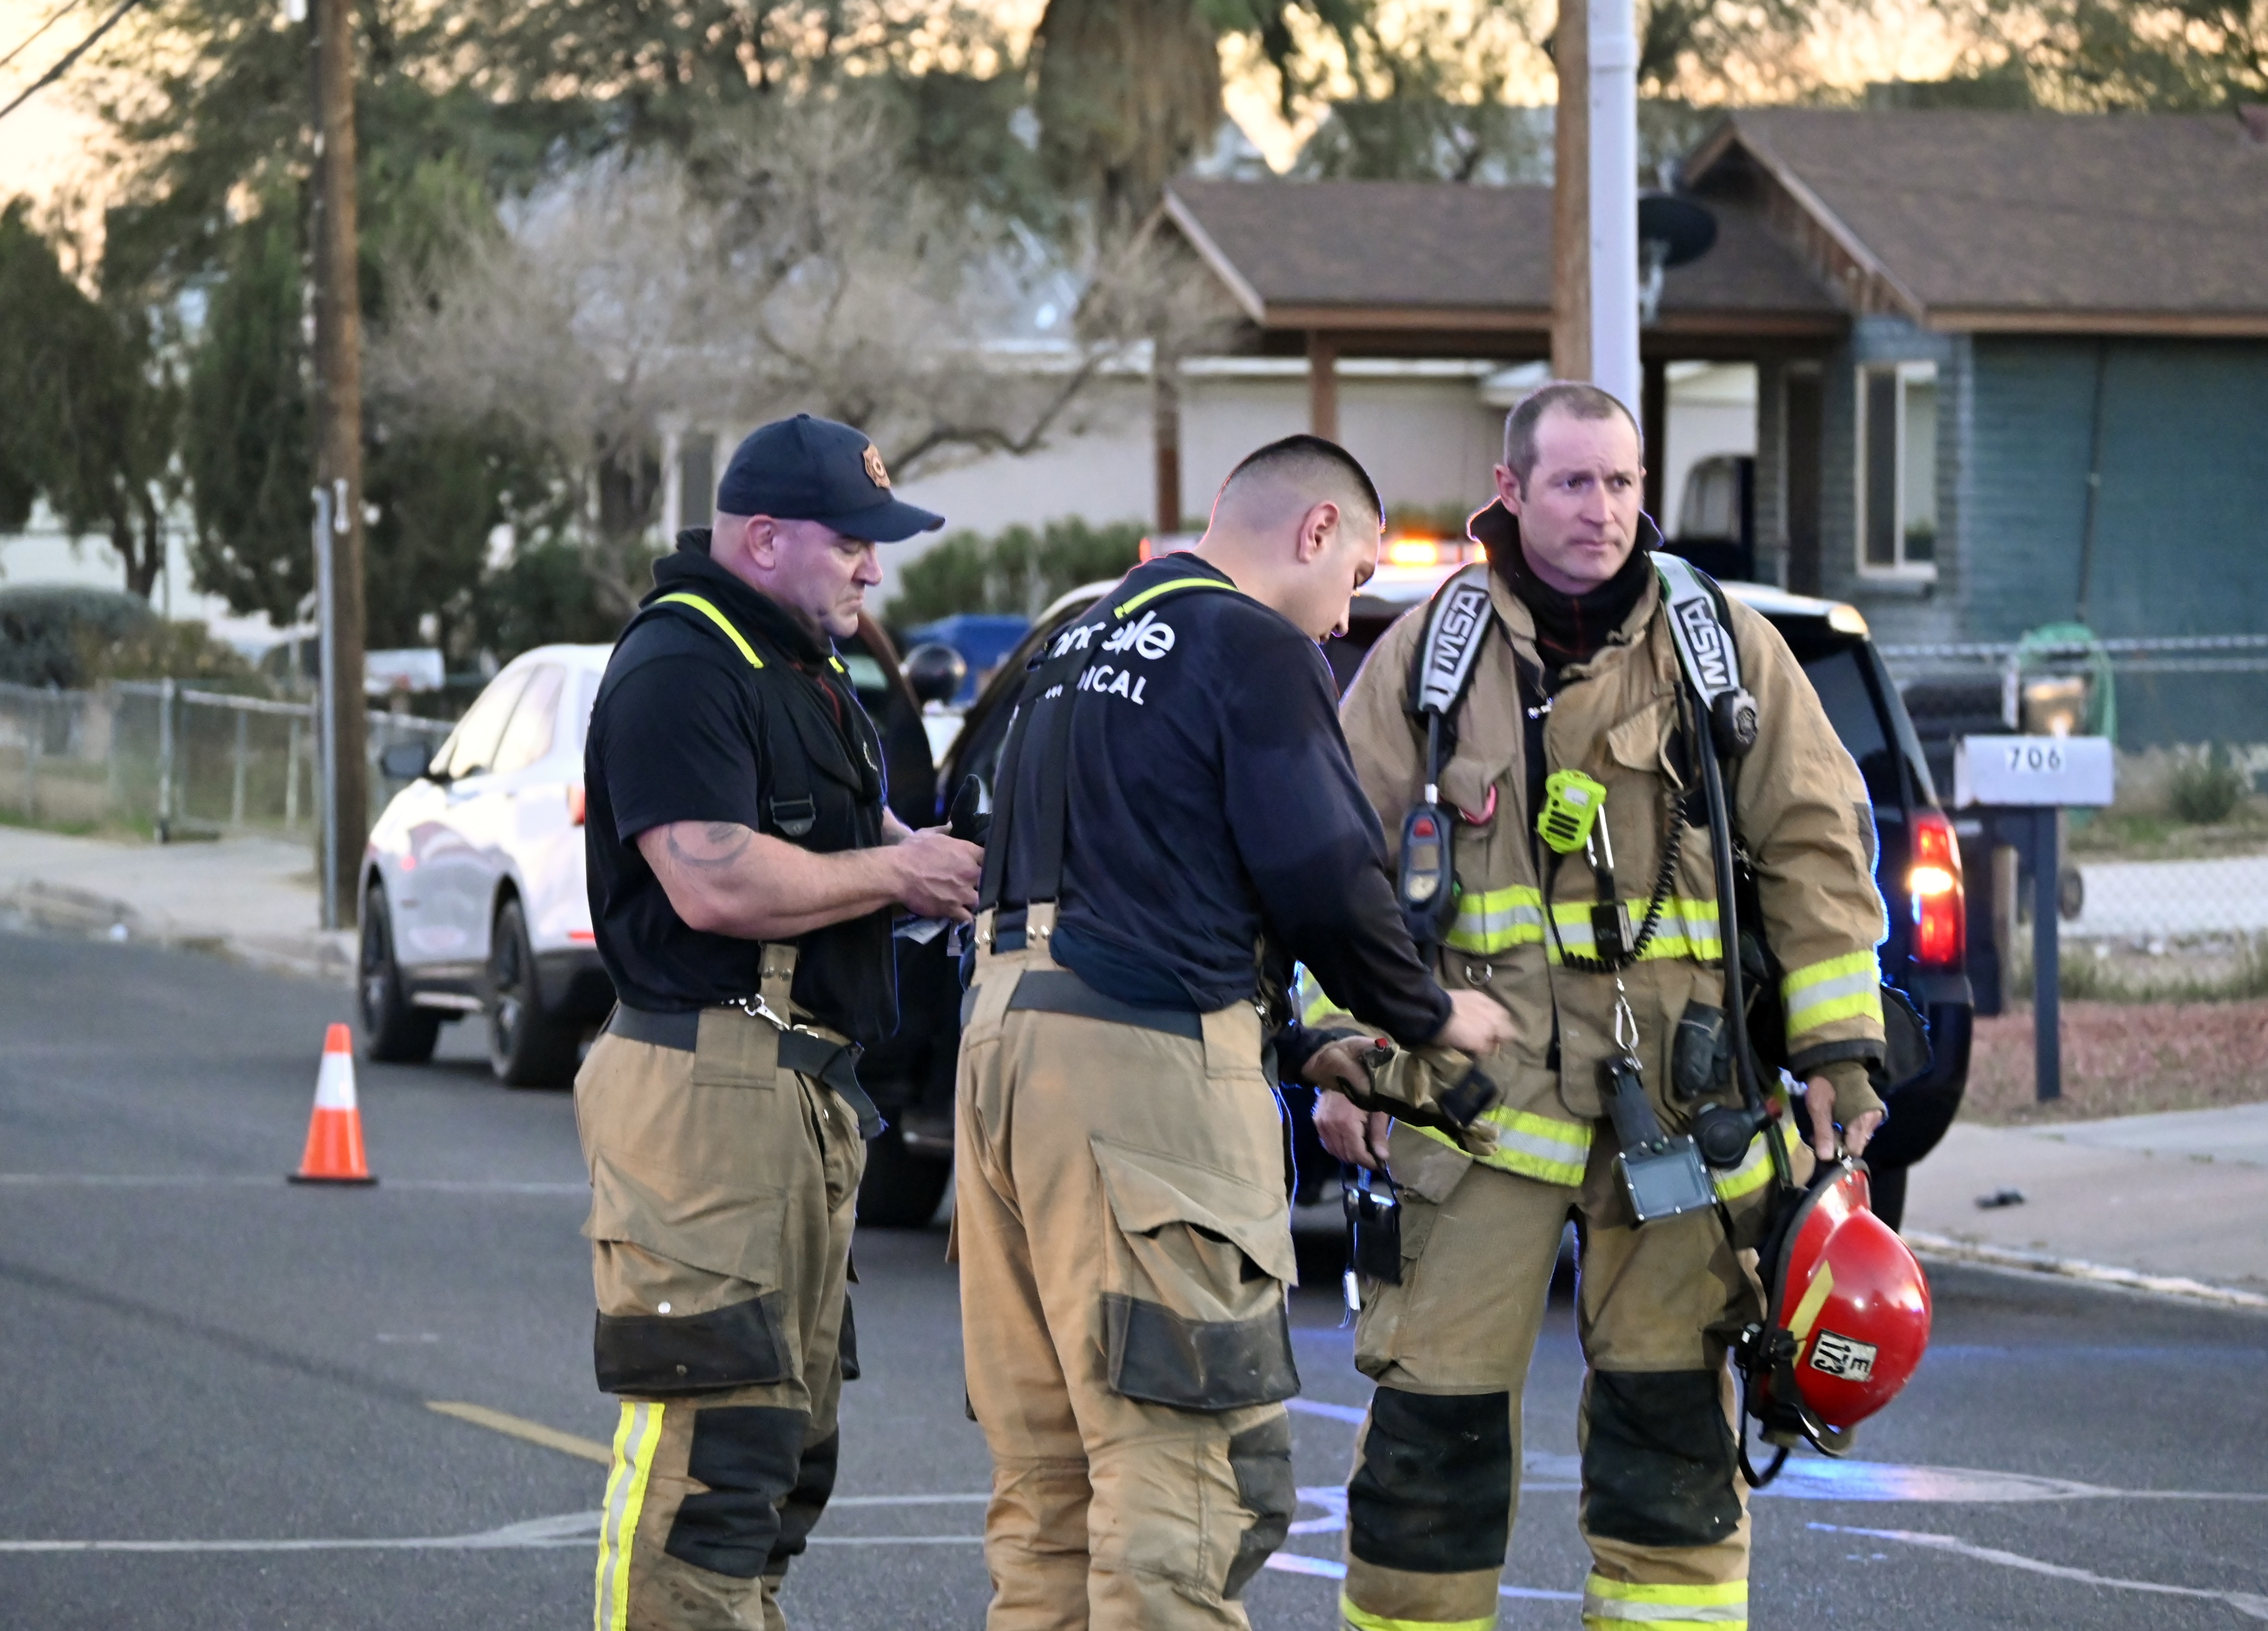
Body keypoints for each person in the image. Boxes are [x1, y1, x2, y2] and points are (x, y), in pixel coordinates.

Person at [1314, 382, 1889, 1631]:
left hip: (1683, 1113)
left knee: (1670, 1436)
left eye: (1621, 481)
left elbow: (1815, 849)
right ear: (1511, 491)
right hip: (1474, 1113)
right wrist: (1344, 1052)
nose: (1602, 508)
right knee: (1431, 1436)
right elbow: (1332, 864)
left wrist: (1839, 1055)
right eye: (1573, 481)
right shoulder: (1432, 656)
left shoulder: (1720, 647)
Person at [953, 434, 1519, 1631]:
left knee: (1052, 1492)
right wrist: (1426, 1011)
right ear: (1313, 532)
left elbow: (1141, 877)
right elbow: (1321, 871)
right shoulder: (1252, 644)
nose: (1342, 618)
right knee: (1183, 1485)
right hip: (1142, 1084)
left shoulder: (1071, 647)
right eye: (1352, 576)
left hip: (1004, 1055)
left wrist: (1297, 1042)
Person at [576, 413, 984, 1631]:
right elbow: (710, 879)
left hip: (796, 1096)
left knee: (782, 1456)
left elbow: (838, 837)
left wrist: (932, 859)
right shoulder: (681, 663)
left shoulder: (799, 665)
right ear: (763, 538)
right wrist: (898, 874)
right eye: (852, 542)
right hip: (707, 1093)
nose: (874, 569)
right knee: (711, 1457)